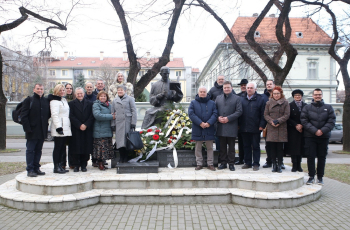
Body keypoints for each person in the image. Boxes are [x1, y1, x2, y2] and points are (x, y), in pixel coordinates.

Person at [301, 88, 335, 185]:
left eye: (319, 94)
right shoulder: (307, 108)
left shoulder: (328, 107)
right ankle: (311, 176)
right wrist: (315, 131)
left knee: (322, 157)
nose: (317, 96)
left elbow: (331, 121)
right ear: (313, 96)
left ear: (322, 95)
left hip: (324, 137)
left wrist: (322, 131)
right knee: (310, 157)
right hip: (310, 136)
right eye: (316, 94)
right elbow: (304, 121)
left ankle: (320, 177)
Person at [21, 84, 50, 177]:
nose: (40, 90)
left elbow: (47, 115)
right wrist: (27, 129)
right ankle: (30, 169)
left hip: (42, 130)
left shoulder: (45, 101)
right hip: (31, 130)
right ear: (34, 89)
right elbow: (23, 116)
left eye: (41, 89)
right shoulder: (29, 100)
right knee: (30, 150)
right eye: (38, 89)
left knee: (38, 150)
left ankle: (36, 168)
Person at [188, 86, 218, 171]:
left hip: (209, 128)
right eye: (201, 91)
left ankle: (210, 164)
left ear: (206, 93)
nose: (202, 93)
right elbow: (191, 114)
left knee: (210, 147)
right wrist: (200, 123)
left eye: (204, 92)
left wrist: (209, 123)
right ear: (198, 93)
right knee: (198, 147)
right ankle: (199, 164)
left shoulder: (212, 103)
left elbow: (215, 114)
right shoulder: (193, 103)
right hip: (198, 128)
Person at [239, 82, 266, 171]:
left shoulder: (260, 99)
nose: (249, 89)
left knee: (255, 146)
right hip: (244, 127)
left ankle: (256, 163)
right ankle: (247, 162)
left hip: (256, 127)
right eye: (248, 88)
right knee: (246, 146)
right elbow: (239, 113)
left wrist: (262, 125)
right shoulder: (241, 99)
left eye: (251, 88)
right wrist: (239, 125)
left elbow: (263, 114)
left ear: (255, 89)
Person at [215, 81, 242, 171]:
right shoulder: (218, 98)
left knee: (231, 147)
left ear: (232, 88)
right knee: (222, 146)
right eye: (225, 88)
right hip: (221, 126)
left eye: (228, 87)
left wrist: (228, 118)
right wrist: (218, 118)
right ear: (223, 89)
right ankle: (223, 163)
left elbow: (239, 111)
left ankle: (231, 163)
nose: (226, 89)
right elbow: (215, 110)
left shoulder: (237, 98)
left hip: (231, 125)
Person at [264, 86, 290, 173]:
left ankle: (279, 164)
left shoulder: (285, 103)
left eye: (277, 93)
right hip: (271, 127)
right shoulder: (268, 103)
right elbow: (266, 114)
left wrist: (278, 121)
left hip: (281, 127)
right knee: (272, 147)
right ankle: (274, 164)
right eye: (274, 93)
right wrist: (271, 121)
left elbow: (287, 115)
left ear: (281, 94)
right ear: (272, 94)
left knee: (280, 148)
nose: (276, 95)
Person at [69, 87, 94, 172]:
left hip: (87, 129)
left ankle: (84, 165)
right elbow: (71, 116)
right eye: (78, 93)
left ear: (84, 93)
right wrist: (79, 125)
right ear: (75, 94)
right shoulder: (71, 104)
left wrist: (86, 125)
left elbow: (92, 116)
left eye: (81, 93)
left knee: (86, 147)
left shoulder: (90, 103)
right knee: (76, 147)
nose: (80, 95)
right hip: (76, 129)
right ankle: (76, 165)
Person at [208, 75, 236, 152]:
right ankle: (219, 154)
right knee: (218, 137)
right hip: (218, 118)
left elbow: (235, 100)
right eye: (219, 79)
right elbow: (208, 100)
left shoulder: (230, 90)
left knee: (229, 141)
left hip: (230, 119)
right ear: (217, 80)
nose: (221, 80)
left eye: (222, 79)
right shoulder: (212, 90)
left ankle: (229, 158)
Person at [49, 84, 72, 174]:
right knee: (58, 148)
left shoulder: (63, 100)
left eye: (63, 90)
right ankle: (56, 167)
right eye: (60, 90)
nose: (62, 92)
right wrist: (58, 127)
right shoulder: (54, 101)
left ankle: (60, 166)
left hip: (65, 126)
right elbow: (54, 115)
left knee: (62, 147)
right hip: (59, 127)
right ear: (56, 91)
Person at [111, 85, 137, 163]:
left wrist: (133, 123)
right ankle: (121, 157)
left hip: (127, 122)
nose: (120, 91)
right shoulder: (115, 100)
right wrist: (112, 124)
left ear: (125, 91)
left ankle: (126, 157)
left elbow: (134, 111)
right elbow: (112, 113)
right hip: (118, 123)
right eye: (118, 90)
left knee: (126, 140)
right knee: (119, 141)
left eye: (121, 90)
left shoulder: (130, 99)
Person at [92, 91, 116, 170]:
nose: (103, 97)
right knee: (100, 148)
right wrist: (111, 116)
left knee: (106, 148)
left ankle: (103, 162)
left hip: (108, 130)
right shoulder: (96, 104)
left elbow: (114, 113)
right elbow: (98, 115)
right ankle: (100, 163)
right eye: (101, 96)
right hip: (99, 130)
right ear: (98, 97)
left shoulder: (109, 105)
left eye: (104, 96)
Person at [285, 89, 306, 172]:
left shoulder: (305, 105)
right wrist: (295, 125)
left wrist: (302, 125)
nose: (297, 97)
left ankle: (299, 165)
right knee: (293, 148)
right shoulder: (289, 105)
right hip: (292, 130)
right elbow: (287, 117)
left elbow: (308, 117)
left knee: (300, 148)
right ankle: (294, 165)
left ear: (301, 96)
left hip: (302, 130)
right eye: (296, 95)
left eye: (299, 95)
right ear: (293, 97)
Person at [61, 83, 75, 170]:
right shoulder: (61, 99)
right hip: (63, 124)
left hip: (72, 124)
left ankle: (71, 163)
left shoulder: (74, 98)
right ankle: (62, 163)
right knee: (62, 145)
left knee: (72, 145)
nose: (69, 90)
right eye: (67, 88)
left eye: (70, 88)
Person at [236, 79, 248, 165]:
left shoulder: (252, 95)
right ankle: (240, 159)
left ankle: (247, 160)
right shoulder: (237, 96)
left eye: (245, 85)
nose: (243, 86)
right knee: (241, 142)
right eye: (242, 85)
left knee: (248, 144)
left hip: (249, 123)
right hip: (240, 123)